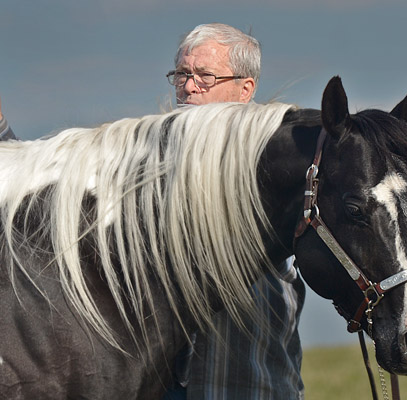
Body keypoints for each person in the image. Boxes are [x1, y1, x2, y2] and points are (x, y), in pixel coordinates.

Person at [0, 23, 305, 400]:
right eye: (182, 74)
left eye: (205, 77)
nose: (189, 87)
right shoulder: (152, 157)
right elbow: (54, 190)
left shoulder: (270, 167)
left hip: (248, 386)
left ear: (246, 89)